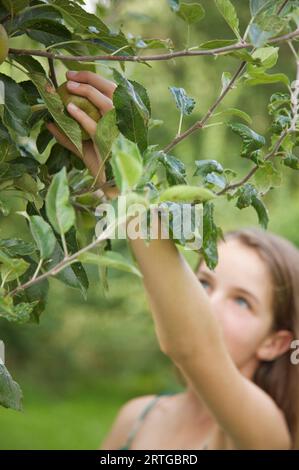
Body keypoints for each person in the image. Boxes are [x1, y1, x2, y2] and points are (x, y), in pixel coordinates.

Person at [46, 70, 299, 450]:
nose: (208, 304)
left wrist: (123, 182)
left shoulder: (265, 435)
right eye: (203, 284)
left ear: (275, 344)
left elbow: (192, 346)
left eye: (242, 301)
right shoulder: (137, 417)